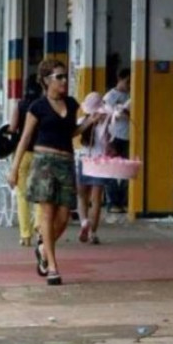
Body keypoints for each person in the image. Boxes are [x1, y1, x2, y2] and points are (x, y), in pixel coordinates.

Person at [9, 60, 96, 286]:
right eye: (59, 77)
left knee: (64, 215)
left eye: (65, 76)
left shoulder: (71, 103)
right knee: (47, 214)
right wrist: (14, 169)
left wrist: (89, 122)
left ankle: (43, 249)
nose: (64, 81)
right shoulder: (37, 106)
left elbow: (72, 132)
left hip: (66, 162)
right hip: (44, 162)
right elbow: (25, 138)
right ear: (47, 80)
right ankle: (53, 267)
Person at [8, 74, 44, 246]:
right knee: (38, 194)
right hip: (40, 153)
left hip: (22, 154)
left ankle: (25, 235)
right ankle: (39, 228)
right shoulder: (43, 106)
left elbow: (12, 128)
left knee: (22, 195)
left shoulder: (20, 105)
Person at [77, 92, 109, 245]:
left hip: (84, 160)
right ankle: (93, 233)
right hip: (100, 163)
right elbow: (108, 144)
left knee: (82, 197)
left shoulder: (81, 121)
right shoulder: (105, 123)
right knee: (96, 201)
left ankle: (84, 222)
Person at [103, 69, 131, 213]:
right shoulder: (110, 96)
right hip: (114, 136)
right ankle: (113, 202)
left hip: (129, 137)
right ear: (120, 79)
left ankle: (124, 200)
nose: (129, 85)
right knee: (112, 170)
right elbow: (107, 116)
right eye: (127, 82)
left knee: (128, 171)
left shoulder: (133, 95)